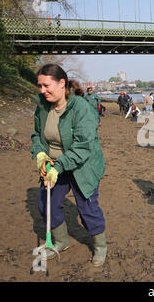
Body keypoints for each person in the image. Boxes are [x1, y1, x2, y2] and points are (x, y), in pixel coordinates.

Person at [31, 64, 107, 266]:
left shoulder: (82, 108)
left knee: (87, 208)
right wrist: (40, 154)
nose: (42, 90)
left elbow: (83, 147)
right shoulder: (42, 106)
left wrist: (58, 166)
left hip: (83, 165)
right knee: (46, 203)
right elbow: (37, 135)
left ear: (61, 83)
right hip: (54, 164)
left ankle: (100, 246)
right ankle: (61, 241)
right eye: (40, 86)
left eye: (46, 85)